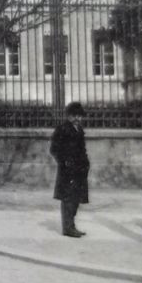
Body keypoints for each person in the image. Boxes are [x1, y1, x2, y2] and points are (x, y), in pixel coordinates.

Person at [50, 101, 91, 238]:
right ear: (69, 116)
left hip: (79, 170)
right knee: (68, 199)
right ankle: (67, 228)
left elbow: (82, 150)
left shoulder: (79, 130)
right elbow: (54, 149)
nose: (78, 119)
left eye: (80, 116)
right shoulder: (62, 129)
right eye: (75, 116)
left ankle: (71, 225)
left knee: (76, 199)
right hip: (68, 171)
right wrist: (65, 162)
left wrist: (86, 163)